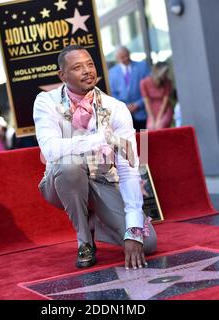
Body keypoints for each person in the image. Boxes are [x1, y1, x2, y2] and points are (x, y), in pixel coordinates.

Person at [33, 45, 157, 270]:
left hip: (103, 181)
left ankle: (94, 220)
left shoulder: (116, 108)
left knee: (147, 242)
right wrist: (103, 139)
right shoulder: (46, 102)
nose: (87, 71)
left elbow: (129, 170)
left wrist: (133, 232)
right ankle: (85, 240)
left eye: (90, 64)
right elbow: (50, 150)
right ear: (62, 75)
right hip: (60, 182)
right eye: (78, 67)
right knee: (70, 164)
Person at [109, 46, 150, 131]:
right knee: (129, 142)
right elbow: (113, 93)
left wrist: (138, 104)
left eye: (126, 56)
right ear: (117, 59)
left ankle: (144, 145)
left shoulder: (142, 66)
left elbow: (149, 89)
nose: (125, 59)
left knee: (144, 141)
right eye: (122, 57)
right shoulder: (112, 72)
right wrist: (125, 106)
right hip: (124, 115)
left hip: (142, 113)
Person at [140, 62, 174, 130]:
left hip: (164, 110)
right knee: (147, 131)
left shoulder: (167, 82)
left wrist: (158, 119)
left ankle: (162, 140)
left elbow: (165, 102)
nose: (166, 75)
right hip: (151, 110)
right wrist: (152, 118)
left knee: (159, 126)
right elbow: (147, 102)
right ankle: (143, 141)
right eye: (164, 73)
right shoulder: (144, 82)